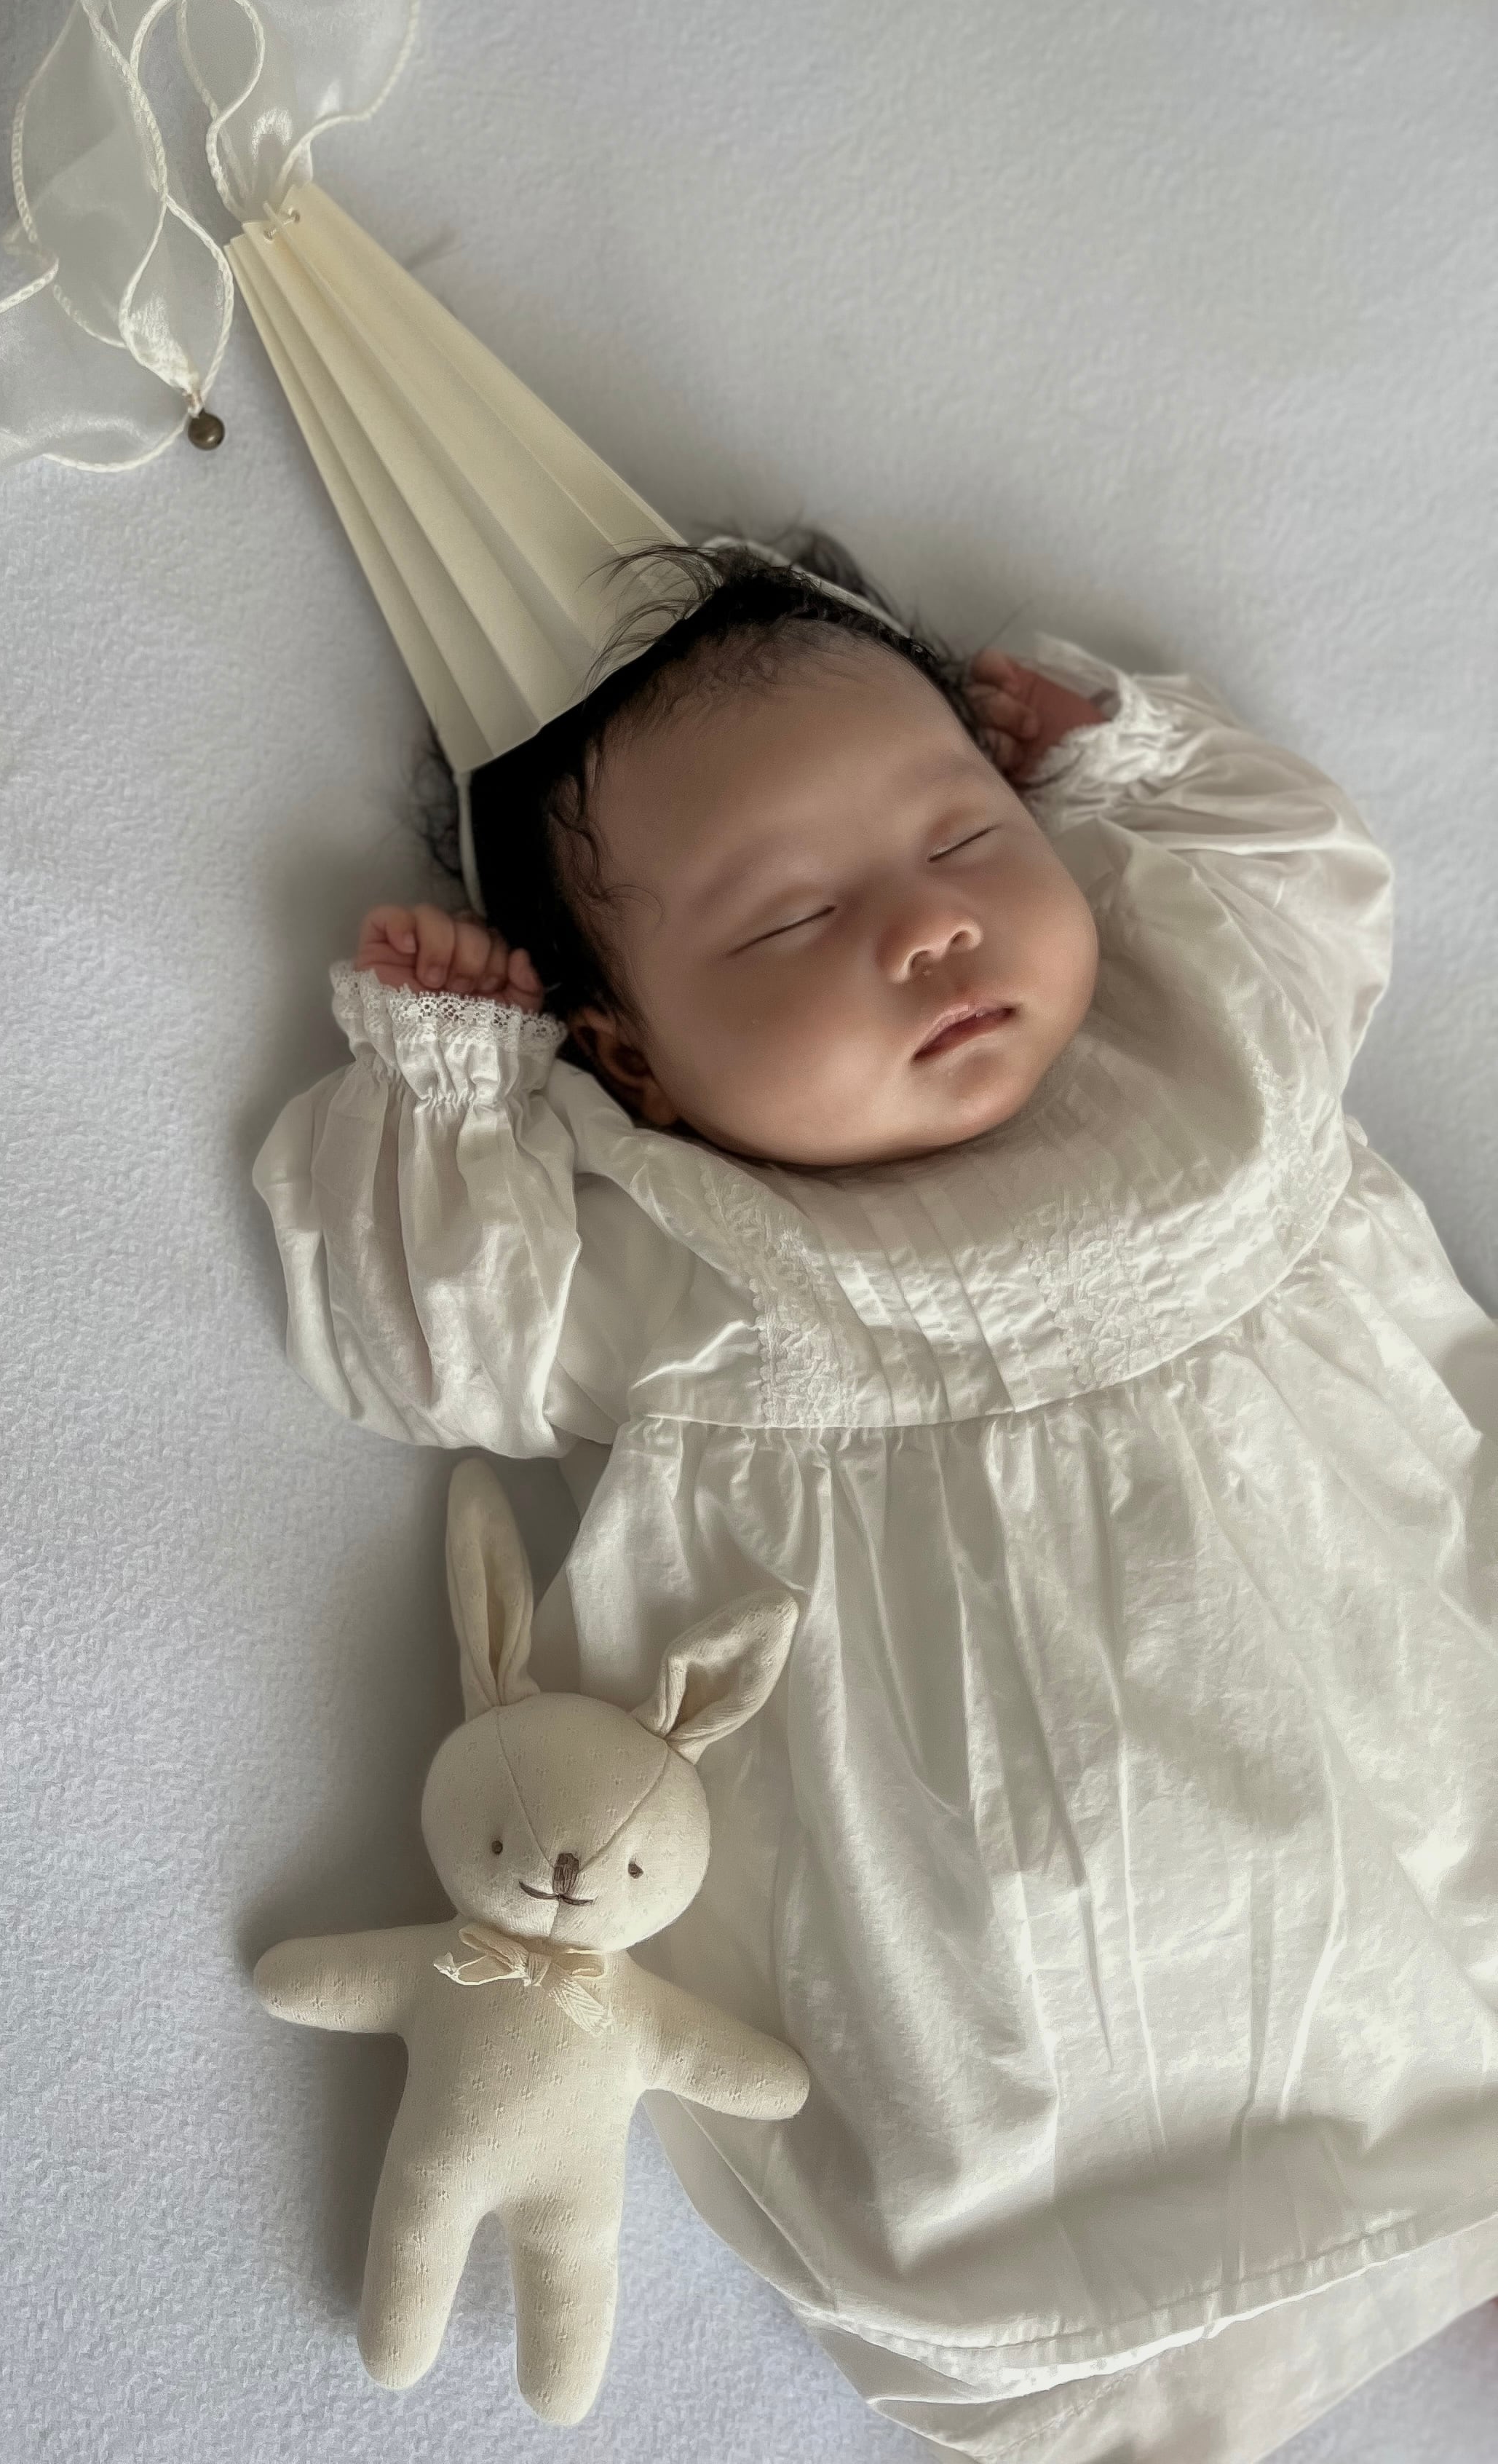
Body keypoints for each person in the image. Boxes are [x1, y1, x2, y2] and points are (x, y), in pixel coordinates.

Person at [253, 533, 1498, 2463]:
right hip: (997, 1975)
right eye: (789, 922)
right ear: (631, 1060)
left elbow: (1314, 893)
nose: (928, 929)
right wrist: (445, 1086)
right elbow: (425, 1346)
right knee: (1015, 2205)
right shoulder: (674, 1255)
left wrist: (1137, 762)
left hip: (1382, 1765)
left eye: (967, 837)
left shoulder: (1198, 1040)